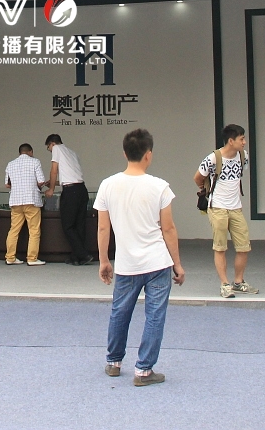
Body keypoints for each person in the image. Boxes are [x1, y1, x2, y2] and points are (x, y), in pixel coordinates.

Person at [95, 128, 184, 386]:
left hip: (126, 264)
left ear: (125, 153)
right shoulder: (160, 187)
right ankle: (144, 370)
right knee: (155, 316)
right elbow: (168, 229)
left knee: (120, 312)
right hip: (157, 262)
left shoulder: (107, 185)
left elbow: (103, 228)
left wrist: (104, 260)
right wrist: (177, 264)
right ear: (149, 154)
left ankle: (114, 362)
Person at [194, 124, 257, 298]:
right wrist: (205, 189)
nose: (244, 142)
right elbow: (197, 177)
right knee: (220, 247)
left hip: (236, 207)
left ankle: (238, 281)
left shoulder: (243, 156)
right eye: (241, 139)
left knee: (243, 246)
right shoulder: (213, 158)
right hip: (218, 207)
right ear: (231, 141)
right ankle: (224, 284)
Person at [45, 134, 90, 265]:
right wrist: (54, 183)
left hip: (71, 192)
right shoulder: (72, 153)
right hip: (81, 189)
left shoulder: (57, 148)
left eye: (48, 148)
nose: (50, 150)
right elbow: (71, 176)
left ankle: (84, 254)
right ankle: (76, 257)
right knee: (79, 225)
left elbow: (54, 171)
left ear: (52, 143)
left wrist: (51, 189)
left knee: (68, 225)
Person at [3, 143, 48, 266]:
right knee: (34, 231)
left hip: (15, 201)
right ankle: (32, 258)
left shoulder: (10, 164)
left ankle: (10, 257)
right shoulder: (35, 162)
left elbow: (7, 184)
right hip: (31, 200)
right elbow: (41, 181)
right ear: (30, 152)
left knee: (14, 230)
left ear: (20, 152)